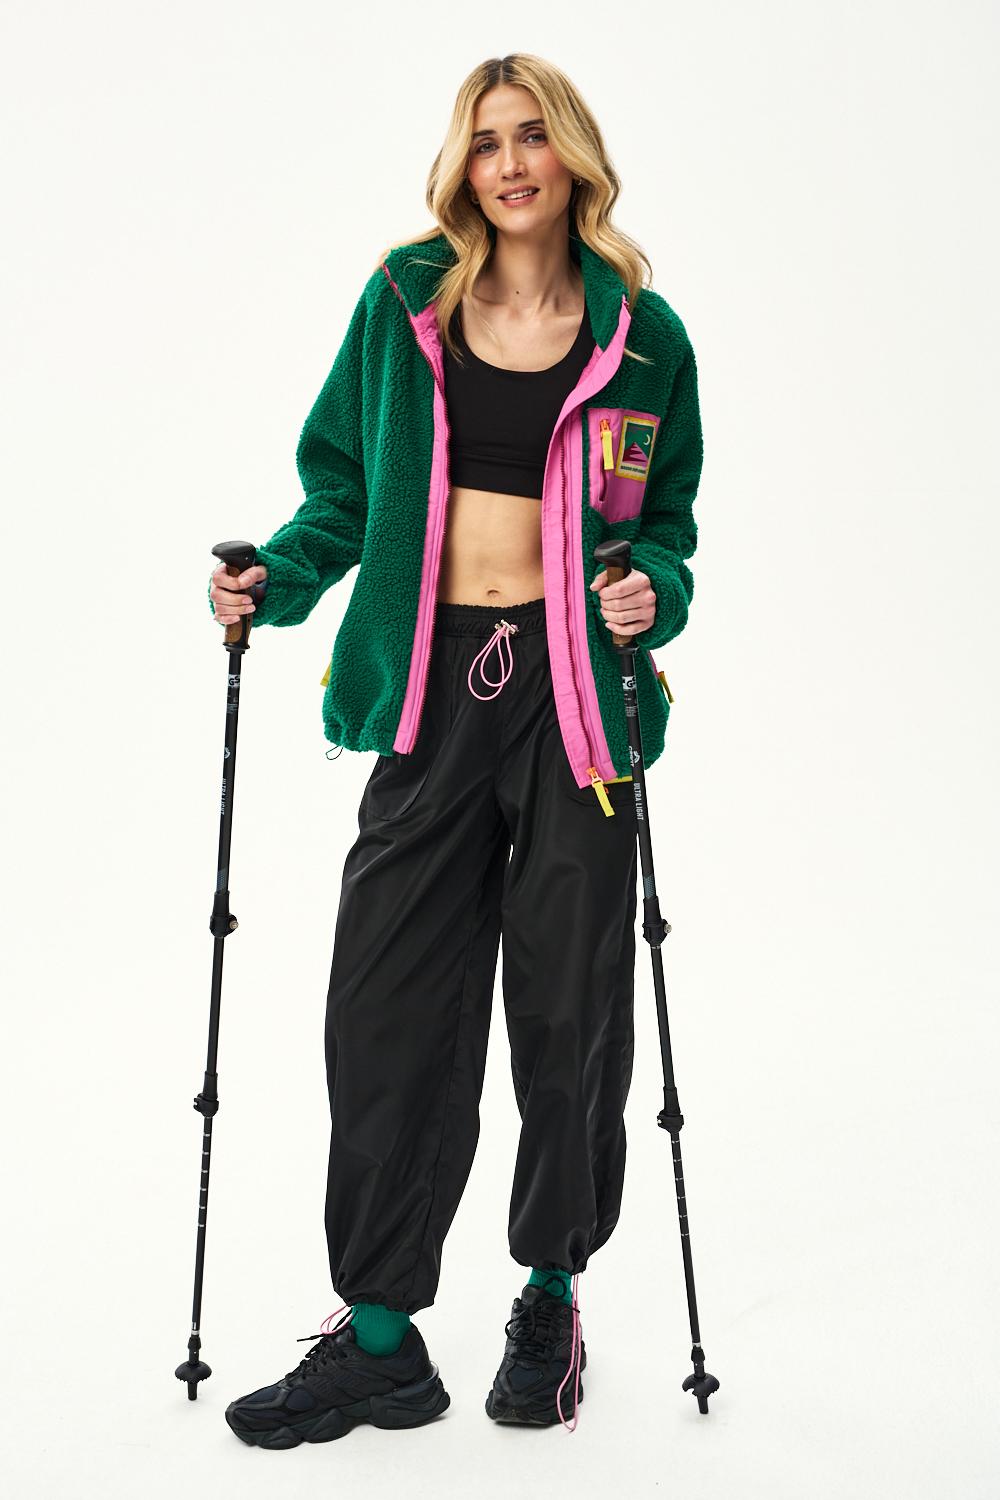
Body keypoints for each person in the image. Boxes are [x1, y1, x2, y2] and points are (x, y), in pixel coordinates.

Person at [208, 52, 703, 1444]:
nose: (510, 162)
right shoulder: (403, 305)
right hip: (431, 695)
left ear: (572, 154)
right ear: (461, 165)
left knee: (567, 1012)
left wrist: (651, 591)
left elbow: (669, 524)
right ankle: (380, 1341)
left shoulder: (646, 337)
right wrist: (275, 582)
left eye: (532, 135)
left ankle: (551, 1296)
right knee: (387, 1009)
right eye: (486, 141)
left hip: (576, 708)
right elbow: (341, 491)